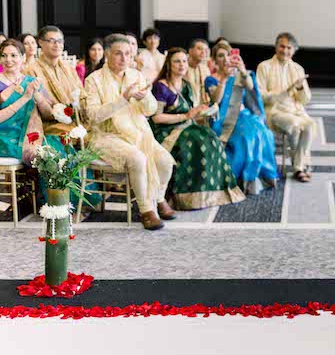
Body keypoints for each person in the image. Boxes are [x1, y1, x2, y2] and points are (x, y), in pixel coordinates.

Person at [82, 34, 177, 231]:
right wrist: (122, 99)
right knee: (138, 158)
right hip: (105, 136)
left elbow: (150, 110)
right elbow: (93, 116)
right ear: (107, 54)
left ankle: (158, 198)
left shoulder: (136, 75)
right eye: (118, 54)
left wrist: (143, 98)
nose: (124, 58)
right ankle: (146, 210)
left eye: (127, 54)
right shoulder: (94, 80)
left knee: (166, 161)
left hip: (138, 133)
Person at [150, 48, 245, 209]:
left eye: (184, 61)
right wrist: (185, 117)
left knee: (210, 137)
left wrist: (201, 111)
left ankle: (212, 192)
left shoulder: (186, 85)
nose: (182, 65)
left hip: (186, 126)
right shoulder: (161, 86)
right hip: (166, 130)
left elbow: (191, 112)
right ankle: (186, 196)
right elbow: (156, 117)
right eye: (177, 61)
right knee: (196, 143)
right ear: (169, 64)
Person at [205, 42, 279, 195]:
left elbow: (251, 88)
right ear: (214, 60)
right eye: (220, 55)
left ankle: (262, 176)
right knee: (246, 137)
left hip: (244, 115)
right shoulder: (211, 79)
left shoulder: (241, 75)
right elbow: (216, 100)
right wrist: (224, 79)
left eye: (228, 54)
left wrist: (242, 70)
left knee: (264, 134)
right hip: (224, 119)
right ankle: (243, 179)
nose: (225, 58)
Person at [256, 33, 315, 182]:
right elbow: (261, 96)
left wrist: (301, 87)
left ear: (294, 50)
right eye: (282, 46)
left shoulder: (298, 69)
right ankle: (299, 168)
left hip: (296, 111)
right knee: (294, 126)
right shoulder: (264, 66)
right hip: (274, 111)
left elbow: (305, 100)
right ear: (276, 47)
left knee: (310, 125)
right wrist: (285, 92)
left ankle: (298, 165)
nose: (285, 50)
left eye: (289, 47)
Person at [0, 40, 55, 163]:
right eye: (4, 55)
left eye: (13, 55)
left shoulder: (32, 81)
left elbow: (48, 114)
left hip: (30, 134)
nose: (8, 60)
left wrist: (36, 95)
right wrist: (25, 97)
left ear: (23, 57)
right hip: (4, 137)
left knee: (57, 151)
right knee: (41, 156)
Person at [24, 26, 84, 136]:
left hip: (77, 120)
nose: (57, 45)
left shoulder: (69, 68)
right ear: (41, 42)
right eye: (52, 41)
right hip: (49, 124)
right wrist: (58, 113)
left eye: (60, 41)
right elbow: (33, 108)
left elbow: (82, 94)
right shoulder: (31, 71)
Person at [186, 38, 211, 106]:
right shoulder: (183, 67)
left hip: (202, 108)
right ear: (190, 51)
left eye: (205, 50)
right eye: (199, 48)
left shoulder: (205, 69)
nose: (203, 52)